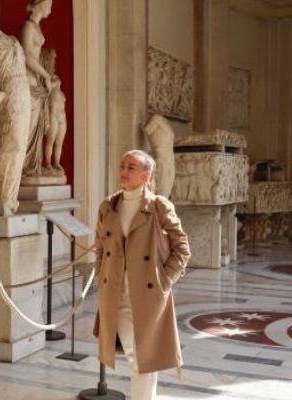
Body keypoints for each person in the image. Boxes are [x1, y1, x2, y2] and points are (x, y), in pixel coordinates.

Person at [93, 150, 190, 400]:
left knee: (142, 358)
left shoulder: (159, 206)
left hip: (148, 296)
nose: (123, 172)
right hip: (116, 294)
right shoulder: (108, 206)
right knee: (138, 357)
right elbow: (100, 248)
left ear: (145, 176)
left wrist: (164, 281)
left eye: (131, 168)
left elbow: (182, 248)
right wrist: (99, 276)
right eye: (122, 165)